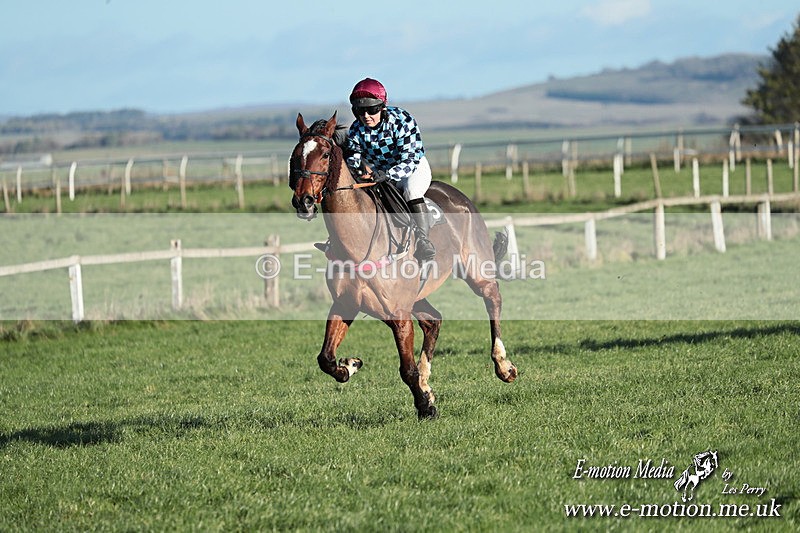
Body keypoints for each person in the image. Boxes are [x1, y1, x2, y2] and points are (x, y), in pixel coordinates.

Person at [345, 78, 436, 261]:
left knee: (411, 191)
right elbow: (354, 158)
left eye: (372, 110)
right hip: (380, 174)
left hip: (412, 169)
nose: (366, 116)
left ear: (382, 106)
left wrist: (387, 174)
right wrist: (356, 172)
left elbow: (410, 159)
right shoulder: (356, 130)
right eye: (359, 111)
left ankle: (423, 241)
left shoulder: (402, 121)